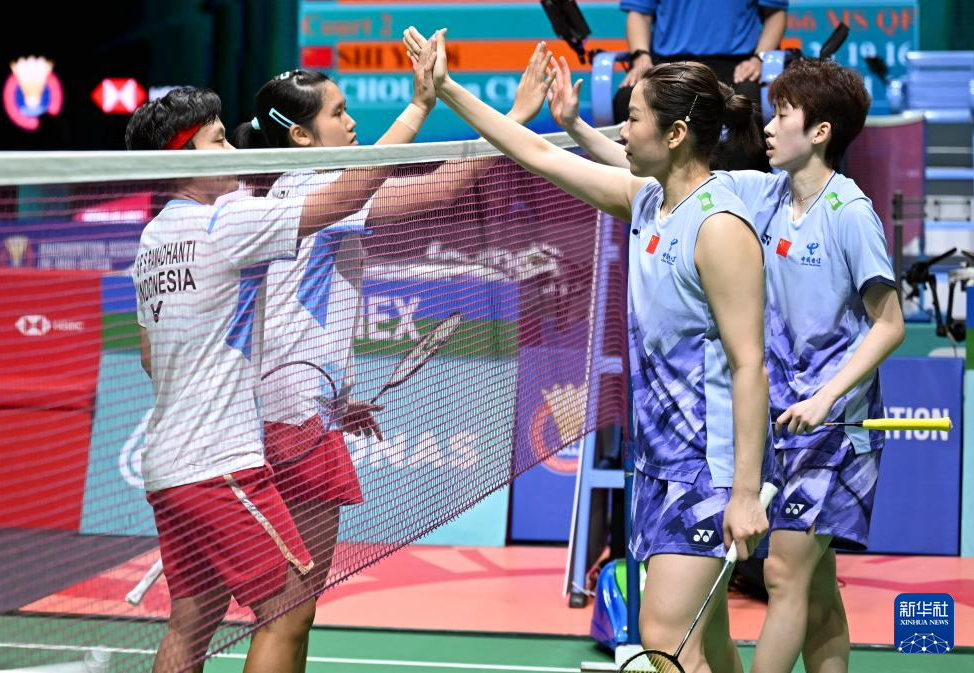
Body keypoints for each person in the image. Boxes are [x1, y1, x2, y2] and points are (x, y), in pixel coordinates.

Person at [403, 28, 771, 673]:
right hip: (657, 458)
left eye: (634, 119)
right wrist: (449, 89)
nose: (623, 131)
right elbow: (537, 154)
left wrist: (743, 493)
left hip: (703, 469)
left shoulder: (718, 227)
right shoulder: (649, 201)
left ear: (675, 134)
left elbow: (750, 365)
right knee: (708, 642)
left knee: (664, 636)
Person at [549, 55, 906, 673]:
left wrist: (826, 397)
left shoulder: (850, 214)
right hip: (776, 419)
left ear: (820, 132)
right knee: (818, 593)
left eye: (783, 114)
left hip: (831, 427)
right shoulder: (764, 193)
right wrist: (576, 128)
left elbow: (890, 324)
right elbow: (656, 175)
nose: (768, 126)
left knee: (784, 573)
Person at [230, 44, 554, 670]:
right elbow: (440, 186)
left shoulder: (277, 194)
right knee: (287, 615)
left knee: (291, 615)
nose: (351, 121)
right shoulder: (321, 191)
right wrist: (509, 115)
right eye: (338, 113)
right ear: (300, 136)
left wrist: (334, 399)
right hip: (296, 428)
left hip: (283, 414)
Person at [125, 86, 393, 673]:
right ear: (185, 159)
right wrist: (420, 107)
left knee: (190, 627)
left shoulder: (152, 241)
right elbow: (347, 195)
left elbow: (149, 356)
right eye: (219, 141)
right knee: (289, 609)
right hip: (220, 463)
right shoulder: (226, 219)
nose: (233, 151)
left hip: (166, 466)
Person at [616, 0, 787, 170]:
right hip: (670, 64)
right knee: (626, 98)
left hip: (736, 65)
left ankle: (738, 184)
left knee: (748, 101)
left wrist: (759, 58)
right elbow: (640, 13)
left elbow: (774, 13)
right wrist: (641, 56)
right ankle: (643, 182)